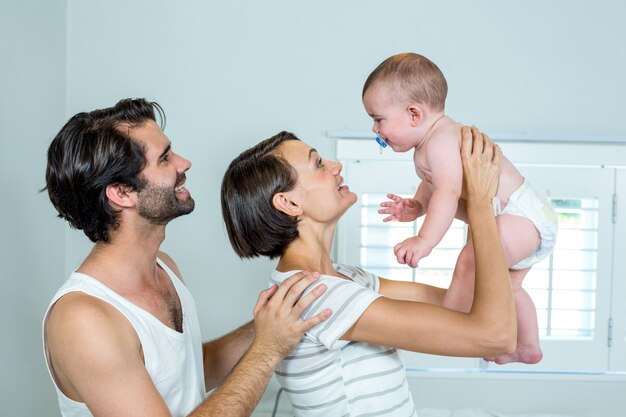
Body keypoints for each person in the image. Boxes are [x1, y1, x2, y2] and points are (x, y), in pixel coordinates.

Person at [42, 98, 332, 417]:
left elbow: (193, 368)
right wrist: (267, 350)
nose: (184, 163)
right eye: (165, 158)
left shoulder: (165, 268)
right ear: (121, 193)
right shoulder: (84, 319)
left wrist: (272, 322)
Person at [221, 126, 517, 416]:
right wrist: (480, 205)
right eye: (319, 163)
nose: (336, 166)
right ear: (289, 202)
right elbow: (495, 336)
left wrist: (459, 193)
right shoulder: (319, 297)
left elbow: (462, 304)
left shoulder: (344, 279)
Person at [361, 52, 558, 365]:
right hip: (524, 219)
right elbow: (435, 187)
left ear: (414, 114)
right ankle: (527, 347)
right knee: (509, 288)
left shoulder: (440, 142)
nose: (374, 129)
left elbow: (449, 193)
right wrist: (417, 206)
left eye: (378, 119)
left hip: (521, 216)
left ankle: (452, 323)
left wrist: (424, 240)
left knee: (470, 261)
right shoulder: (431, 142)